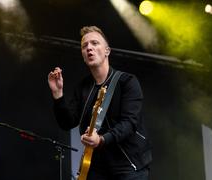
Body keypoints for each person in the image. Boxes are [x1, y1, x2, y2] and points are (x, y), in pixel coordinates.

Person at [48, 26, 152, 180]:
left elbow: (130, 123)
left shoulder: (127, 81)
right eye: (84, 46)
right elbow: (67, 122)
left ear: (107, 51)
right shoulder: (83, 88)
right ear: (83, 55)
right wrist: (58, 95)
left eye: (95, 43)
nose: (89, 47)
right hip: (97, 166)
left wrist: (102, 140)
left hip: (128, 165)